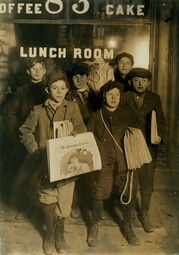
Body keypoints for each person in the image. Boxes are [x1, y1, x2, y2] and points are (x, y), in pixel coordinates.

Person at [19, 71, 87, 255]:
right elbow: (25, 131)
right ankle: (49, 235)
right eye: (54, 88)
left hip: (67, 162)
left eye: (62, 88)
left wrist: (75, 134)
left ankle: (60, 235)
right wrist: (34, 148)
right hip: (45, 162)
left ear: (67, 90)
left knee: (65, 199)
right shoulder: (38, 110)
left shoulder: (72, 107)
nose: (59, 92)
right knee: (47, 197)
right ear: (47, 89)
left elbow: (81, 128)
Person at [87, 80, 140, 247]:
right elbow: (87, 139)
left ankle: (127, 226)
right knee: (99, 193)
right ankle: (94, 225)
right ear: (104, 96)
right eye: (110, 94)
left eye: (117, 94)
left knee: (127, 194)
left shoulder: (128, 114)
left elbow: (138, 137)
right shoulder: (96, 116)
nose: (114, 98)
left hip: (125, 162)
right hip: (103, 163)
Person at [122, 68, 165, 233]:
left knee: (147, 182)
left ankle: (144, 213)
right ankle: (128, 216)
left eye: (144, 80)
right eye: (137, 80)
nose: (140, 83)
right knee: (130, 182)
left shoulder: (155, 98)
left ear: (149, 82)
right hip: (130, 146)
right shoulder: (124, 97)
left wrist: (159, 136)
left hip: (149, 146)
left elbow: (161, 120)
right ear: (130, 81)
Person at [2, 57, 47, 208]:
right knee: (25, 174)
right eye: (34, 69)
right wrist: (16, 132)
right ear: (28, 72)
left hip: (45, 136)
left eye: (40, 68)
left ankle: (44, 207)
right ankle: (25, 207)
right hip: (26, 138)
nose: (37, 72)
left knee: (44, 173)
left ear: (44, 71)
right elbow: (9, 112)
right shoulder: (21, 91)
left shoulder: (50, 88)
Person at [66, 62, 98, 219]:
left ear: (87, 77)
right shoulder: (67, 96)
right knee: (75, 172)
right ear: (71, 79)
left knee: (91, 173)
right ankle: (75, 205)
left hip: (92, 138)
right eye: (75, 77)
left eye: (82, 76)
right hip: (75, 138)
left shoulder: (95, 95)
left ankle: (90, 206)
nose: (79, 80)